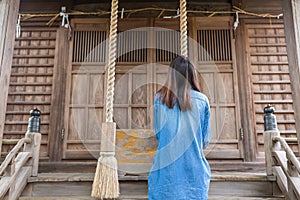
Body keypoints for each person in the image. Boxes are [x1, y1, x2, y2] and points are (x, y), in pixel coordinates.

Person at [148, 55, 211, 200]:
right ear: (193, 76)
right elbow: (205, 140)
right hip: (194, 173)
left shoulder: (159, 99)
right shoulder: (203, 101)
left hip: (165, 173)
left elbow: (158, 133)